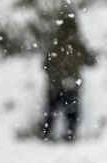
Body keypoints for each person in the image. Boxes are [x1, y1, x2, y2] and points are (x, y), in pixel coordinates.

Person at [39, 11, 96, 142]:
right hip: (70, 84)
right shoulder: (77, 44)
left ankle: (47, 134)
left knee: (51, 111)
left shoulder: (56, 43)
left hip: (56, 84)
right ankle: (69, 134)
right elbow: (90, 61)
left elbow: (45, 64)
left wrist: (54, 75)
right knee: (70, 112)